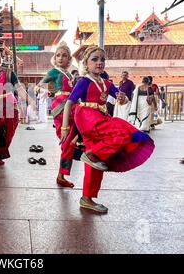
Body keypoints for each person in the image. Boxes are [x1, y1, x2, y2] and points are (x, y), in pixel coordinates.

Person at [61, 45, 155, 213]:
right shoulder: (84, 81)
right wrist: (64, 127)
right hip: (87, 117)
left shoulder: (106, 83)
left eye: (102, 60)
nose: (99, 63)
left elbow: (120, 98)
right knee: (122, 130)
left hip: (101, 116)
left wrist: (122, 97)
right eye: (95, 59)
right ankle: (90, 154)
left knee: (97, 162)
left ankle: (87, 198)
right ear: (86, 63)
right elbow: (69, 102)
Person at [38, 42, 77, 187]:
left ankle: (61, 175)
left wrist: (51, 92)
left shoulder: (69, 74)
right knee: (68, 139)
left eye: (64, 55)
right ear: (55, 58)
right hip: (61, 106)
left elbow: (63, 88)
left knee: (69, 142)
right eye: (58, 55)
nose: (61, 58)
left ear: (69, 59)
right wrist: (42, 90)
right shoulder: (54, 72)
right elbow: (40, 83)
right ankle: (61, 175)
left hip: (71, 104)